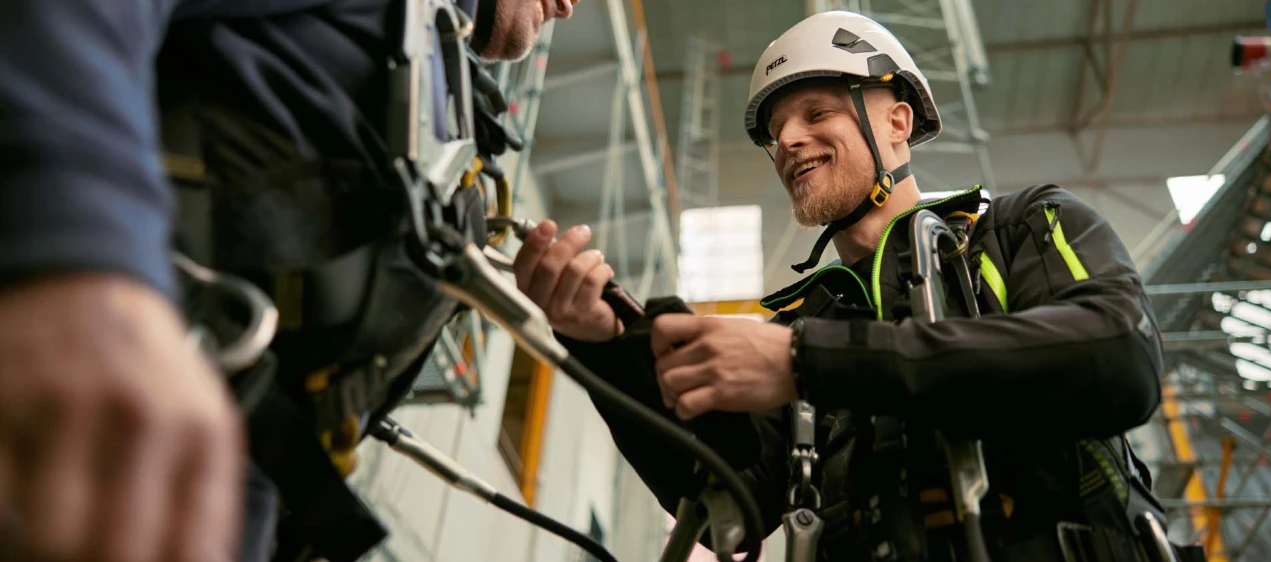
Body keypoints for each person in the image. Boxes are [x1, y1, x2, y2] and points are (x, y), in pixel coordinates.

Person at [513, 10, 1179, 561]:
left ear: (896, 122)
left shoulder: (1021, 229)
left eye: (815, 113)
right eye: (775, 133)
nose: (788, 143)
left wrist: (810, 363)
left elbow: (1119, 353)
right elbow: (731, 511)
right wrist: (604, 348)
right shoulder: (805, 325)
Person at [0, 1, 574, 561]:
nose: (571, 8)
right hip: (69, 402)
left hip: (193, 487)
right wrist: (79, 255)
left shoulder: (442, 83)